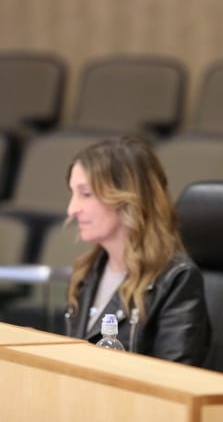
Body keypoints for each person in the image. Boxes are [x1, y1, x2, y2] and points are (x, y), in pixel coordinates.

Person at [64, 134, 211, 366]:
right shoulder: (86, 272)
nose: (72, 209)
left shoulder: (176, 278)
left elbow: (176, 382)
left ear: (128, 199)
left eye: (86, 194)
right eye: (73, 193)